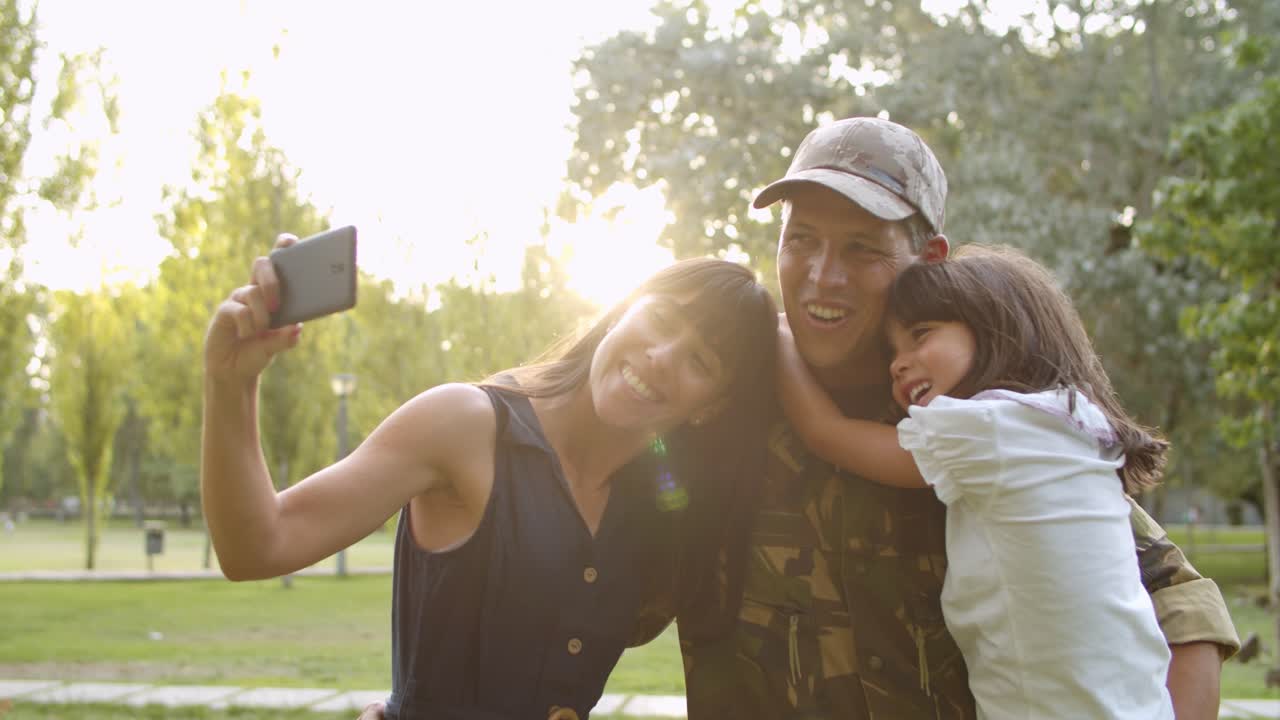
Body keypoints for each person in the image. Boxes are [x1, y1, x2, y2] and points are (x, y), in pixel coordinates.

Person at [675, 116, 1240, 719]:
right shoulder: (717, 402)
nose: (823, 275)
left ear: (929, 258)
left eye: (862, 247)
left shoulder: (979, 421)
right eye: (801, 239)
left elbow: (1180, 602)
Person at [201, 246, 778, 719]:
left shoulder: (662, 511)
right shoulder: (465, 424)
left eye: (701, 361)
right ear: (623, 308)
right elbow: (258, 543)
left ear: (710, 407)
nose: (660, 356)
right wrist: (233, 385)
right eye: (662, 317)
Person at [778, 243, 1179, 717]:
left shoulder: (989, 427)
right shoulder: (1068, 421)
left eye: (921, 335)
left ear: (995, 329)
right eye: (892, 351)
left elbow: (830, 435)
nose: (897, 363)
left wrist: (778, 333)